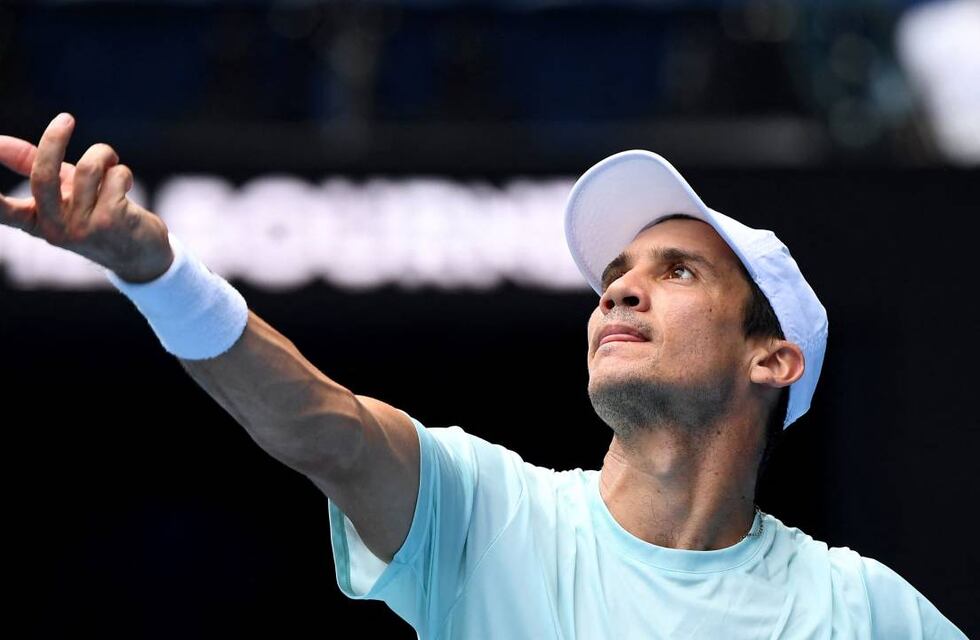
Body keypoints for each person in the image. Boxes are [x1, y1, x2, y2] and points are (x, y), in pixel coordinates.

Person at [0, 113, 968, 639]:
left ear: (772, 358)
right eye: (614, 276)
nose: (619, 293)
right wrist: (157, 276)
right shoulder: (491, 513)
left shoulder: (859, 610)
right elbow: (322, 427)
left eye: (676, 272)